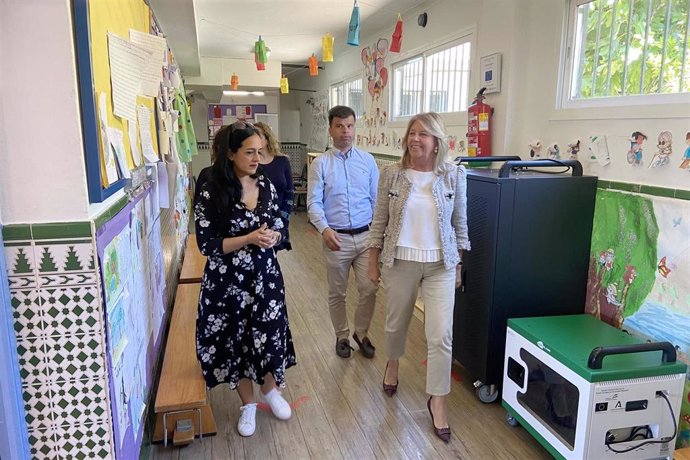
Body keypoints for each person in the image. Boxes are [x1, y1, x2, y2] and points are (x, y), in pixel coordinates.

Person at [367, 112, 470, 443]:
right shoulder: (392, 175)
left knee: (441, 335)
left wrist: (457, 264)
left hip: (440, 265)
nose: (416, 139)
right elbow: (379, 220)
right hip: (400, 261)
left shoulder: (454, 175)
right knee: (395, 325)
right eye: (412, 133)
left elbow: (460, 225)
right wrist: (372, 260)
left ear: (437, 141)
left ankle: (437, 400)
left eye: (424, 134)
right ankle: (393, 364)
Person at [194, 121, 297, 437]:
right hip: (227, 283)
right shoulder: (211, 187)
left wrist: (274, 234)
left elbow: (279, 219)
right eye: (250, 152)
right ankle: (247, 404)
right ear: (231, 153)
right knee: (236, 342)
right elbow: (207, 244)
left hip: (265, 278)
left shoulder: (264, 184)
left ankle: (270, 391)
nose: (257, 158)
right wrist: (248, 238)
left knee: (268, 335)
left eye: (260, 151)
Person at [307, 105, 380, 359]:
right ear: (330, 129)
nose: (345, 131)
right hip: (335, 238)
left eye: (349, 126)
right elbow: (314, 202)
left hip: (365, 237)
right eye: (339, 126)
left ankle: (361, 333)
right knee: (337, 292)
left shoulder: (367, 161)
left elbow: (376, 201)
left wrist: (377, 237)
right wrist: (324, 229)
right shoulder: (320, 164)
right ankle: (342, 335)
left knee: (369, 288)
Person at [254, 121, 294, 250]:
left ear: (267, 139)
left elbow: (289, 192)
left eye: (258, 136)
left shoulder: (282, 161)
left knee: (274, 252)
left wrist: (283, 218)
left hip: (280, 217)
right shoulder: (253, 164)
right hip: (258, 221)